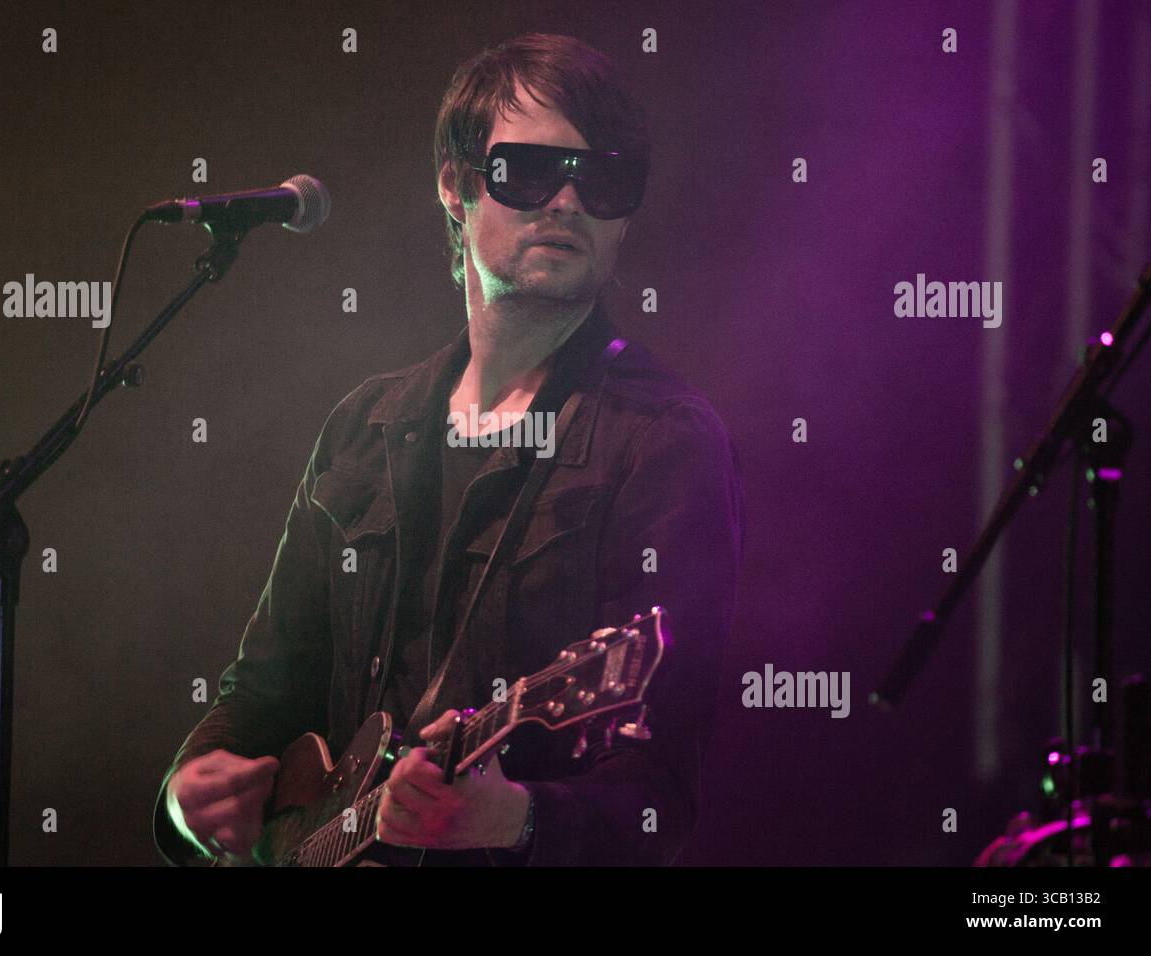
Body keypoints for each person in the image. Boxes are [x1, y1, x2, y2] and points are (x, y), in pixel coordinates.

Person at [153, 32, 744, 867]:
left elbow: (663, 801)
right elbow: (260, 694)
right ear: (456, 187)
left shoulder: (665, 444)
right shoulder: (364, 426)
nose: (569, 202)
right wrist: (186, 794)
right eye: (531, 171)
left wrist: (515, 819)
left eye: (602, 178)